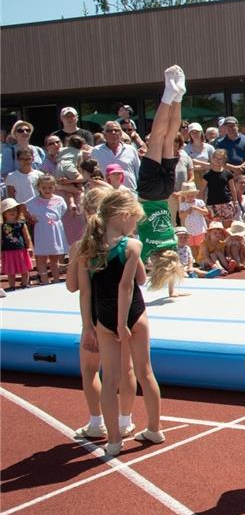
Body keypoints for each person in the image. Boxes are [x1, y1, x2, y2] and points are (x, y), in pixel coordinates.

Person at [77, 188, 164, 457]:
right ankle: (154, 428)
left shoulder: (87, 247)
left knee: (110, 378)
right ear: (124, 216)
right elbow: (130, 285)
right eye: (135, 220)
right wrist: (122, 323)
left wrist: (89, 326)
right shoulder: (132, 245)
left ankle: (114, 440)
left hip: (104, 317)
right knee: (145, 371)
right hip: (133, 316)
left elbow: (85, 292)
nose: (136, 225)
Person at [66, 187, 136, 440]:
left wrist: (87, 325)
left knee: (90, 369)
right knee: (126, 369)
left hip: (96, 315)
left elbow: (74, 287)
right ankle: (125, 420)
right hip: (124, 313)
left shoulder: (82, 247)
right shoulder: (127, 243)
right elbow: (139, 279)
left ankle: (97, 422)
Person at [135, 65, 189, 296]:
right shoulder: (145, 250)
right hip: (148, 194)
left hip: (165, 191)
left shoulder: (171, 243)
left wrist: (173, 292)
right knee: (158, 138)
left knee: (168, 140)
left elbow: (171, 264)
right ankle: (169, 95)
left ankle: (178, 96)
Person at [25, 174, 68, 284]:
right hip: (41, 230)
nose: (47, 190)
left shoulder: (59, 200)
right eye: (44, 188)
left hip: (54, 231)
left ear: (54, 187)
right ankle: (44, 280)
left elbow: (62, 211)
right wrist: (31, 218)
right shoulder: (33, 201)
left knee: (54, 257)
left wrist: (54, 220)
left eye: (50, 187)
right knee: (41, 257)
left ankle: (56, 279)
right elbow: (24, 209)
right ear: (38, 188)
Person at [1, 197, 33, 290]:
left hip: (21, 250)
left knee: (24, 269)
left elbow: (27, 236)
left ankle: (25, 284)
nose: (12, 212)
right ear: (4, 213)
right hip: (7, 251)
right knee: (10, 271)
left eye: (14, 209)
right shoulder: (2, 226)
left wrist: (29, 247)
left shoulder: (21, 224)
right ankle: (12, 286)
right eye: (9, 210)